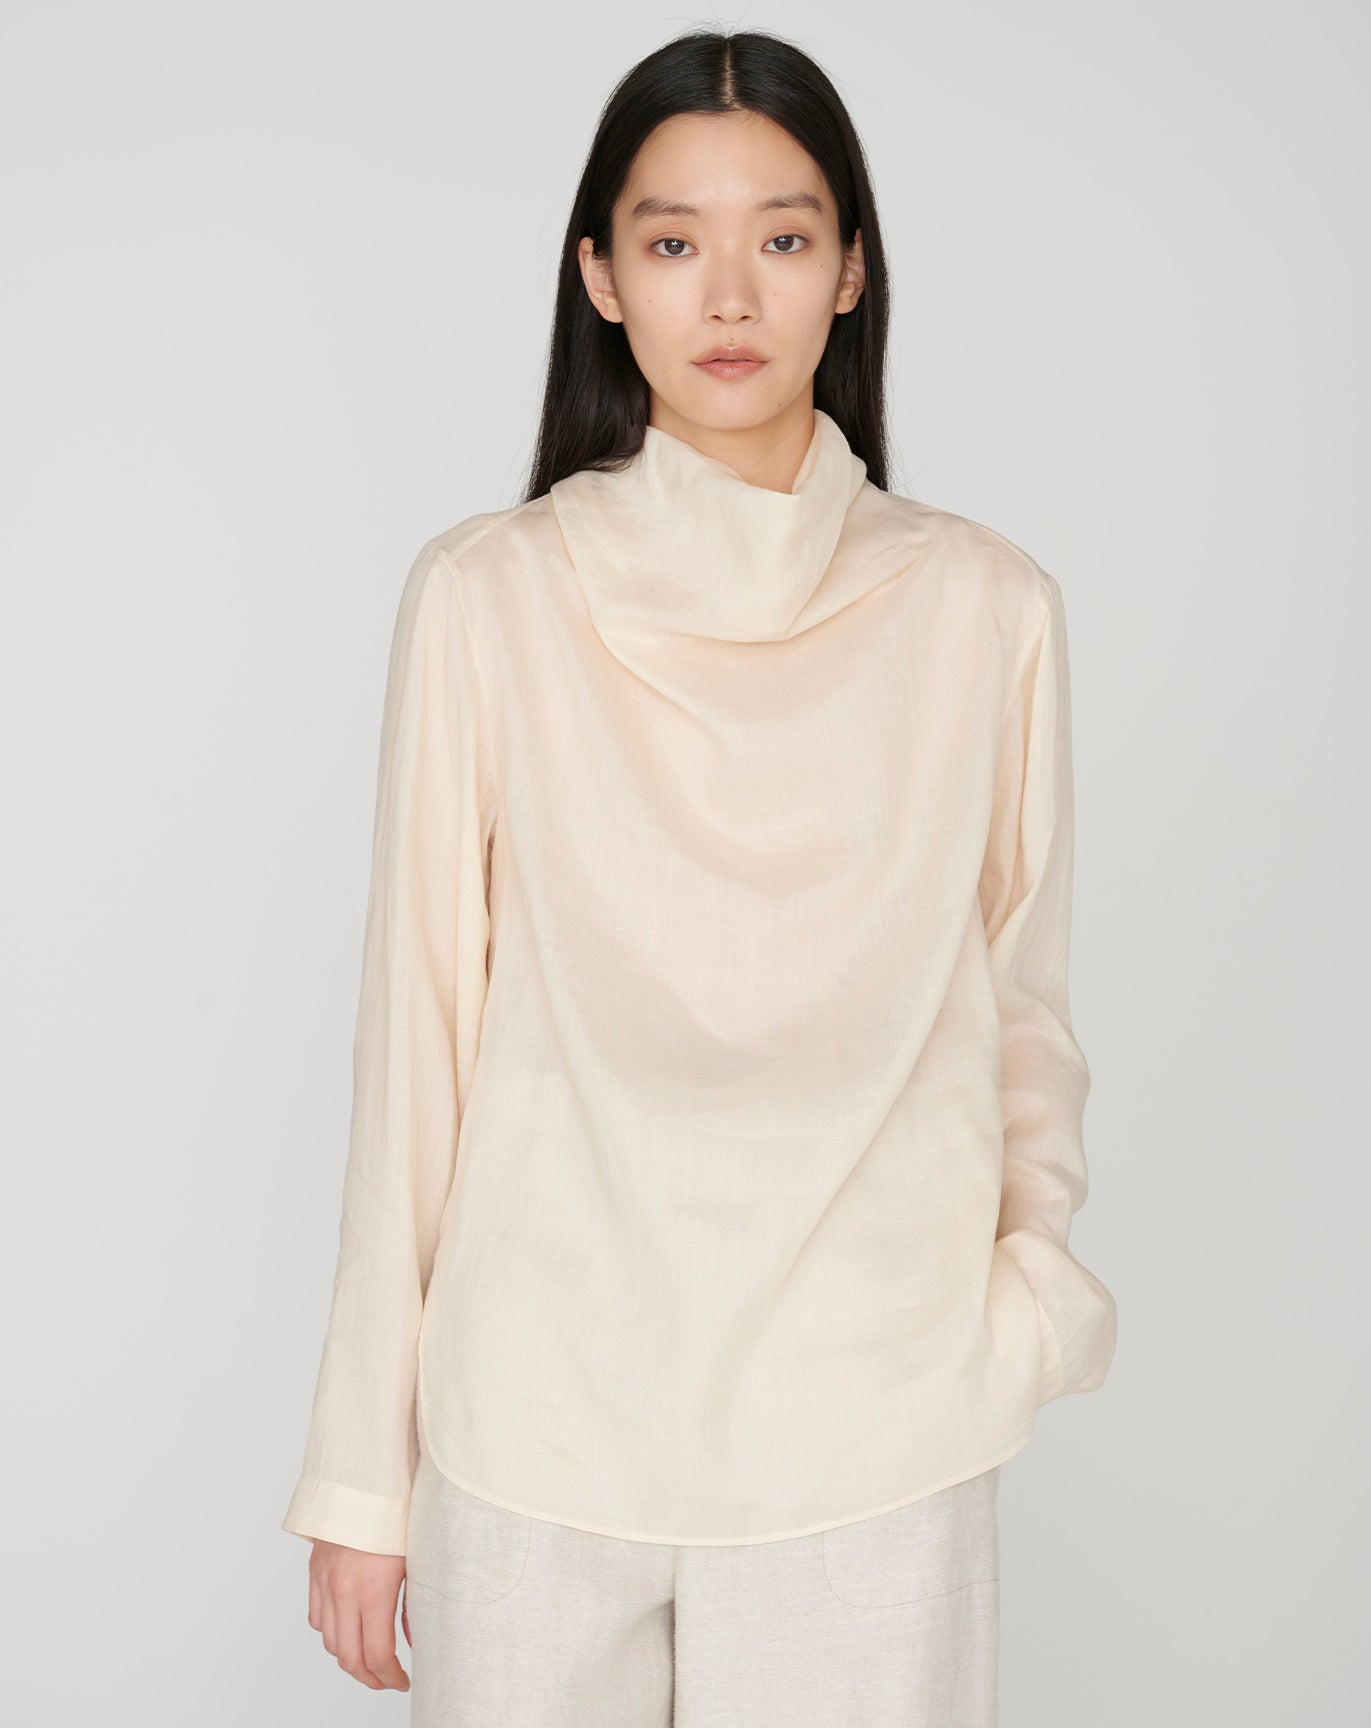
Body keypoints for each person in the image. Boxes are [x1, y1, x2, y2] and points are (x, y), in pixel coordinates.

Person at [281, 25, 1118, 1727]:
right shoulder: (490, 597)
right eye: (673, 241)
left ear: (851, 269)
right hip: (536, 1438)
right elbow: (417, 1052)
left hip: (874, 1439)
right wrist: (363, 1475)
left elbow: (1024, 1015)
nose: (729, 294)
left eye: (783, 237)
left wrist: (1020, 1309)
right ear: (600, 275)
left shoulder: (987, 610)